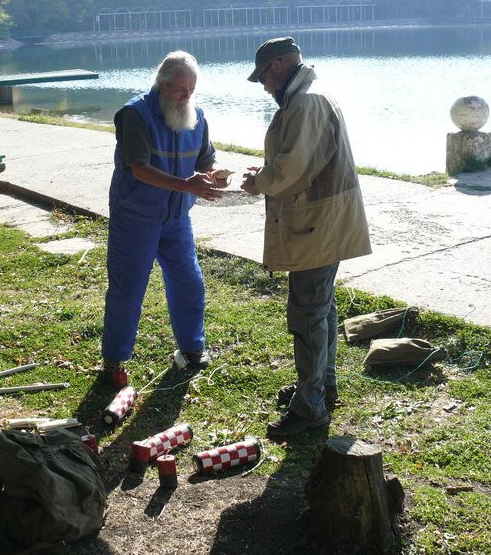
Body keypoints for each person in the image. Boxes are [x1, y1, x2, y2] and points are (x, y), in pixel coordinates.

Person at [241, 37, 372, 438]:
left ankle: (311, 406)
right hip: (322, 222)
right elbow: (300, 159)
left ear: (277, 66)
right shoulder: (307, 96)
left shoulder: (306, 102)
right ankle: (320, 386)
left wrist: (259, 181)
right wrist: (265, 174)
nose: (264, 86)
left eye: (263, 77)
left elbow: (291, 170)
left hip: (317, 225)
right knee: (320, 308)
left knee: (307, 314)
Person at [101, 51, 227, 387]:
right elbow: (139, 169)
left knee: (189, 282)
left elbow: (205, 160)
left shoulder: (197, 115)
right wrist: (186, 185)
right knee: (128, 288)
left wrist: (215, 175)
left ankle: (192, 349)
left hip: (176, 216)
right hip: (136, 215)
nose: (187, 95)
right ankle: (114, 359)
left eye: (192, 89)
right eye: (181, 89)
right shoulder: (135, 115)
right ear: (163, 84)